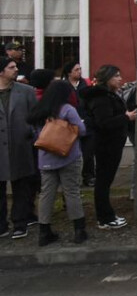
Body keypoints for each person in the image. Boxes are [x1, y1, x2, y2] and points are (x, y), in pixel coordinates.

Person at [28, 80, 88, 245]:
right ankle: (79, 230)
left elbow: (34, 134)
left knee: (46, 194)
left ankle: (44, 231)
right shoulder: (67, 109)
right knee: (72, 192)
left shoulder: (39, 111)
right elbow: (81, 130)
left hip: (46, 157)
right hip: (68, 155)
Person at [85, 64, 135, 230]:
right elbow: (104, 123)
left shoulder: (110, 94)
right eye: (116, 76)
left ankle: (107, 215)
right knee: (103, 182)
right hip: (106, 144)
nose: (120, 79)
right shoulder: (101, 98)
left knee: (106, 181)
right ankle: (105, 217)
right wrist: (126, 117)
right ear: (107, 79)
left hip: (113, 143)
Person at [0, 56, 38, 239]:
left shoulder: (26, 91)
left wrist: (30, 133)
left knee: (21, 187)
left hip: (21, 146)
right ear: (1, 71)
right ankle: (1, 225)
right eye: (11, 67)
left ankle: (20, 223)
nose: (16, 69)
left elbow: (35, 117)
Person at [62, 60, 96, 188]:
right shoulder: (63, 86)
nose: (80, 72)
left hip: (86, 122)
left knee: (88, 153)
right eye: (76, 70)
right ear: (69, 73)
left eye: (80, 69)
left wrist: (88, 118)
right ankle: (74, 177)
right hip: (69, 124)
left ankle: (89, 176)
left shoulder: (85, 84)